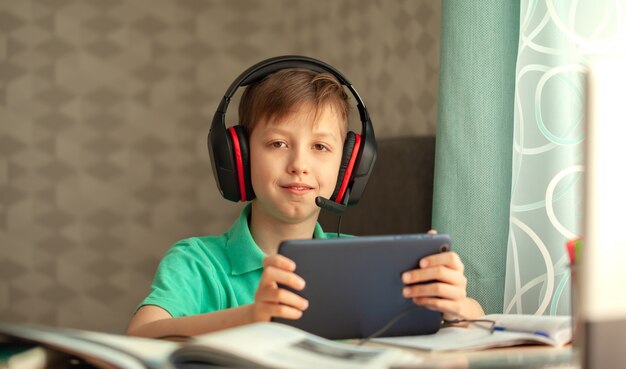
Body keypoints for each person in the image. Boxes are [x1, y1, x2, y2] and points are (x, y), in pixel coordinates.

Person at [127, 62, 484, 338]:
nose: (299, 165)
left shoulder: (361, 262)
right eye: (278, 143)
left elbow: (474, 319)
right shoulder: (196, 264)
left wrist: (455, 307)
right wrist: (252, 316)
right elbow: (141, 335)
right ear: (241, 158)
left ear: (348, 168)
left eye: (320, 147)